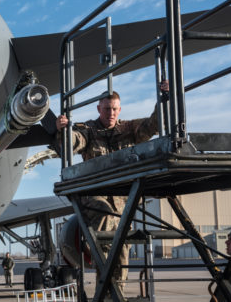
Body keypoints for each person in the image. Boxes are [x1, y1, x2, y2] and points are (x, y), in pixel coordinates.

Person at [55, 82, 169, 290]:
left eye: (115, 108)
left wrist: (164, 99)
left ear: (120, 109)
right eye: (107, 109)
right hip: (96, 198)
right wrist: (64, 131)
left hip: (123, 202)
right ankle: (103, 273)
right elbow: (75, 140)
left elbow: (153, 125)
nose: (111, 113)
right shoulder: (88, 129)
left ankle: (115, 292)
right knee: (105, 223)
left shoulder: (129, 129)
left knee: (121, 256)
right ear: (99, 109)